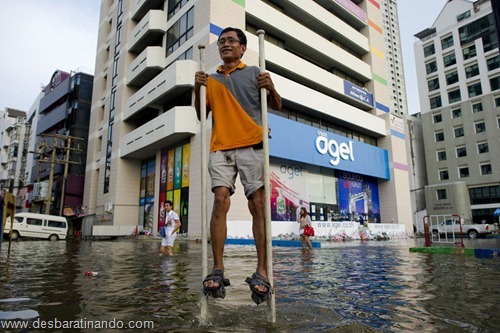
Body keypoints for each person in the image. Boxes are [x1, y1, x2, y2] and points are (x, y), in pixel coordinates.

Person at [194, 27, 282, 304]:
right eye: (221, 42)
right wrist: (196, 87)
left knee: (257, 203)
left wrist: (272, 88)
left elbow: (276, 106)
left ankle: (262, 271)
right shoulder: (211, 78)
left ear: (243, 48)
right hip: (220, 146)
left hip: (252, 144)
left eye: (231, 41)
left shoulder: (256, 71)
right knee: (220, 199)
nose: (225, 45)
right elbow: (200, 114)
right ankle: (218, 268)